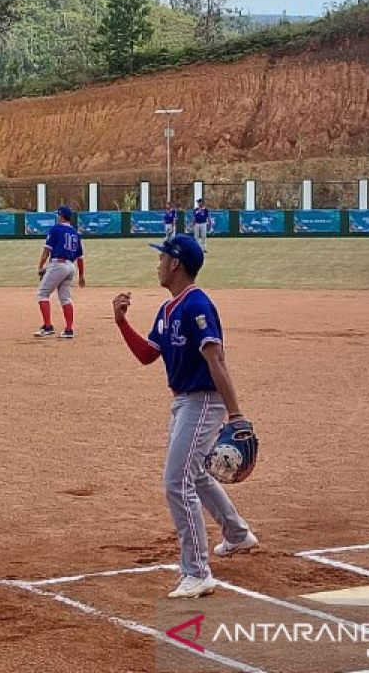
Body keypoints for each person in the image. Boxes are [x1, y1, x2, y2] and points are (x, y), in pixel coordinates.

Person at [112, 235, 257, 599]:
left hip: (204, 401)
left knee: (177, 482)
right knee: (198, 476)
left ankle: (197, 572)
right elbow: (148, 354)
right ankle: (237, 534)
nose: (157, 263)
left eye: (161, 258)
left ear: (175, 263)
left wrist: (235, 414)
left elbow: (216, 358)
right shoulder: (167, 310)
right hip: (183, 403)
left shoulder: (197, 305)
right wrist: (121, 322)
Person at [34, 205, 86, 339]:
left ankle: (47, 327)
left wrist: (40, 265)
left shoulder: (56, 229)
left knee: (42, 293)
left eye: (58, 215)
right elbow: (80, 257)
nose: (57, 217)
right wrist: (81, 276)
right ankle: (69, 330)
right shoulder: (75, 233)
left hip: (58, 264)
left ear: (61, 216)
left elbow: (47, 249)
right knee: (65, 298)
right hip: (70, 267)